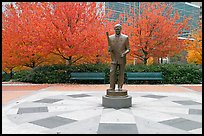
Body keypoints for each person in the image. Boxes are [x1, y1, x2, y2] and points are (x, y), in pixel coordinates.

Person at [106, 24, 130, 91]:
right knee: (112, 72)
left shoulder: (125, 38)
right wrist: (109, 49)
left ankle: (120, 86)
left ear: (121, 29)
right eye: (116, 29)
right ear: (114, 29)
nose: (117, 30)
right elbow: (109, 49)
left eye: (118, 29)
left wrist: (124, 53)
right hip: (114, 58)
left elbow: (128, 49)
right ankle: (112, 86)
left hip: (122, 58)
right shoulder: (110, 38)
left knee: (121, 73)